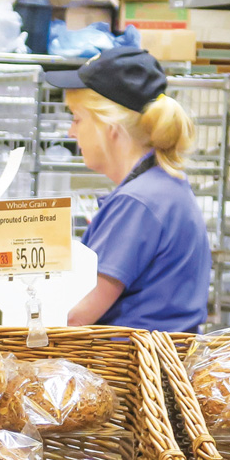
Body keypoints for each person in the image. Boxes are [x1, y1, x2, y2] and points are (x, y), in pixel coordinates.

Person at [46, 46, 211, 332]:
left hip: (128, 372)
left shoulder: (139, 202)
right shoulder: (163, 187)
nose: (70, 133)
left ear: (109, 127)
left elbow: (76, 315)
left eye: (77, 118)